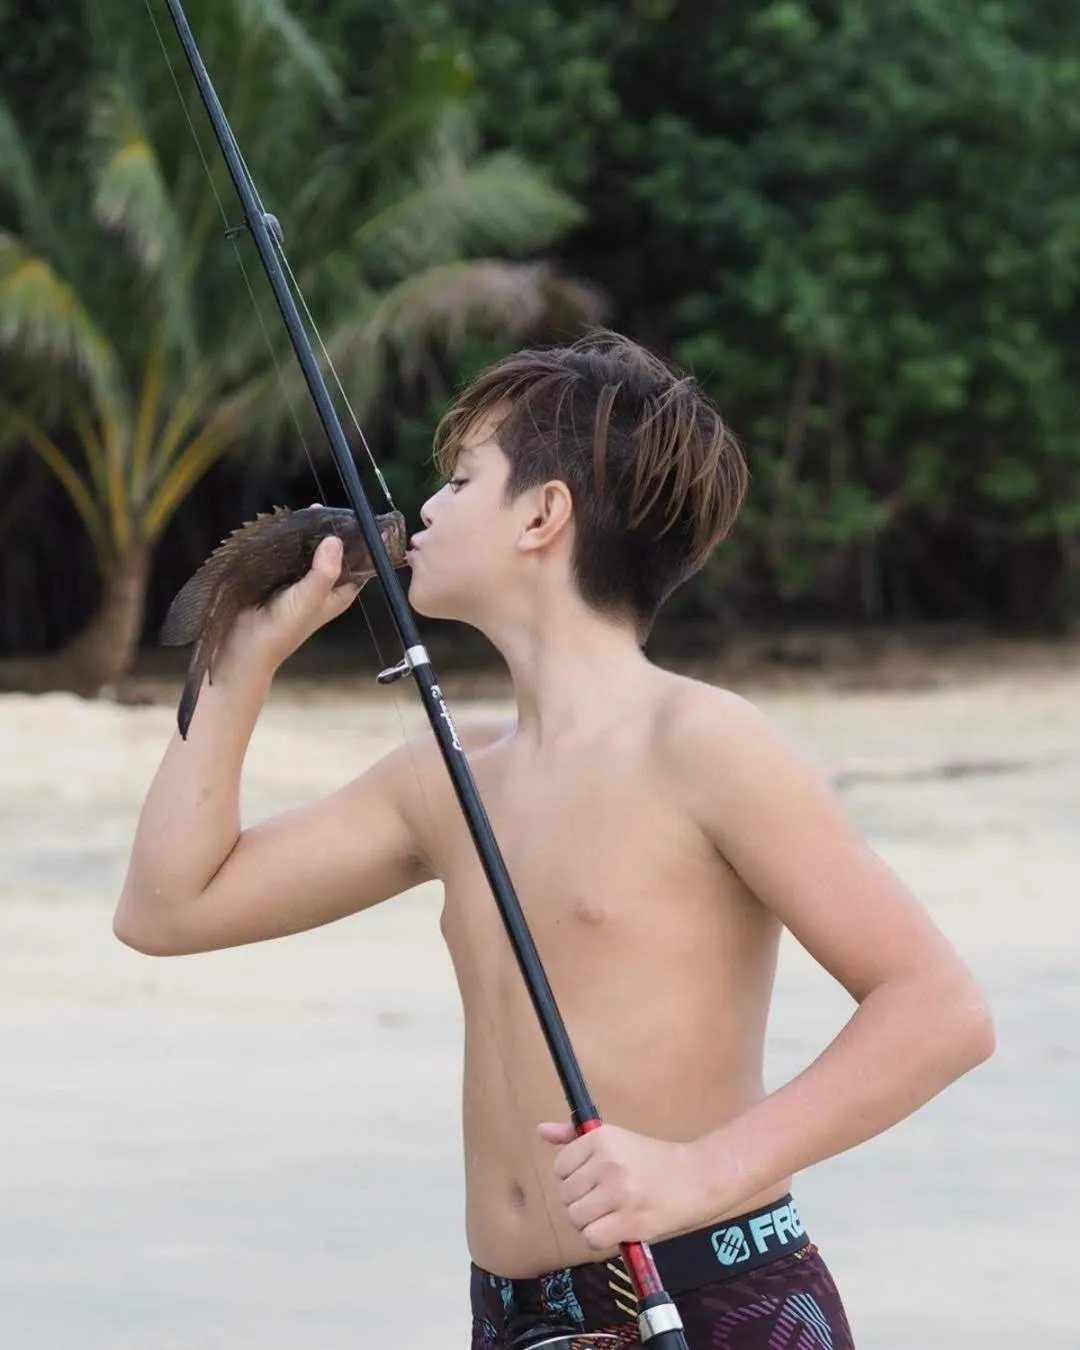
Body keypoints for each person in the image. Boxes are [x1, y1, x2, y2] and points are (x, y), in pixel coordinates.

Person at [114, 331, 995, 1349]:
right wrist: (241, 657)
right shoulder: (447, 776)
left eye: (460, 479)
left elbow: (939, 1009)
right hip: (512, 1319)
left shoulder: (704, 744)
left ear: (543, 514)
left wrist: (696, 1173)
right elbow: (167, 911)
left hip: (710, 1299)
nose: (427, 508)